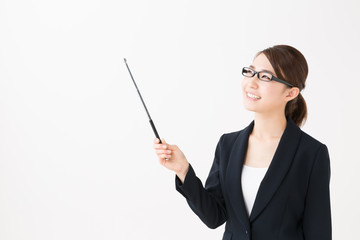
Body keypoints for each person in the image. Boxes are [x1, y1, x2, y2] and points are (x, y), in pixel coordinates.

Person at [153, 45, 331, 240]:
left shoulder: (311, 153)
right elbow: (214, 217)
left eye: (265, 77)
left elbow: (318, 231)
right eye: (250, 72)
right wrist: (183, 171)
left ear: (291, 93)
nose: (251, 83)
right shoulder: (228, 145)